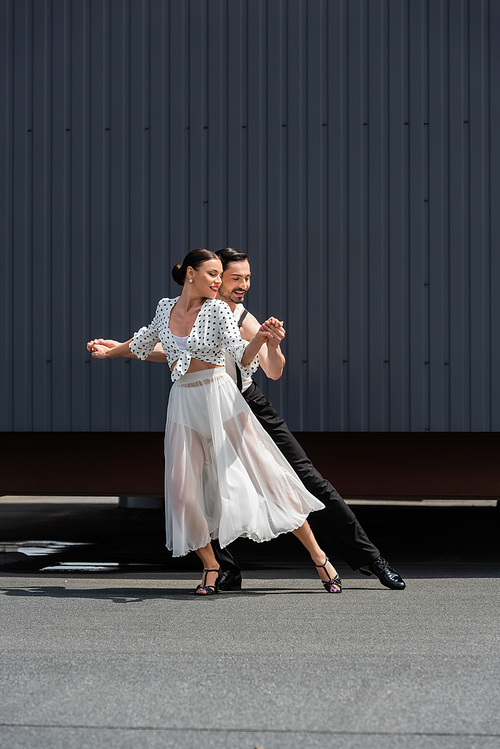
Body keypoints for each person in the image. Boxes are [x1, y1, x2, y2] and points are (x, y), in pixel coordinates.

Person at [90, 248, 406, 592]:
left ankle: (369, 559)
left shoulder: (238, 316)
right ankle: (223, 568)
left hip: (243, 403)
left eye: (247, 278)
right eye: (234, 278)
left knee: (302, 481)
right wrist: (118, 347)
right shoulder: (181, 307)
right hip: (194, 402)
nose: (242, 285)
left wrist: (269, 342)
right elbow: (171, 348)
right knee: (201, 487)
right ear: (211, 276)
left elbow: (272, 369)